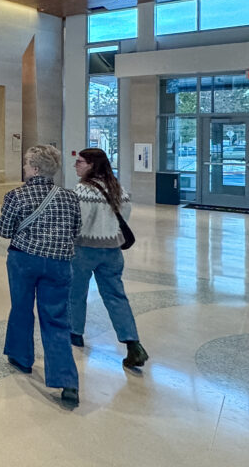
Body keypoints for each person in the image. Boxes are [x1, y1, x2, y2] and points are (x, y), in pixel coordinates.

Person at [0, 144, 83, 408]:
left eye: (26, 164)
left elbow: (4, 229)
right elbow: (76, 229)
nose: (24, 168)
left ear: (34, 169)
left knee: (22, 308)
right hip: (59, 264)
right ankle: (66, 380)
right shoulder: (70, 197)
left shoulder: (17, 195)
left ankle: (21, 357)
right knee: (57, 319)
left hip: (24, 260)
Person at [69, 148, 149, 369]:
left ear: (92, 165)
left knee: (75, 293)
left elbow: (78, 222)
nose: (76, 165)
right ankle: (133, 343)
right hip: (112, 251)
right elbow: (124, 218)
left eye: (80, 162)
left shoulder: (82, 190)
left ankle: (75, 333)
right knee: (116, 297)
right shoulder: (119, 189)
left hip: (84, 249)